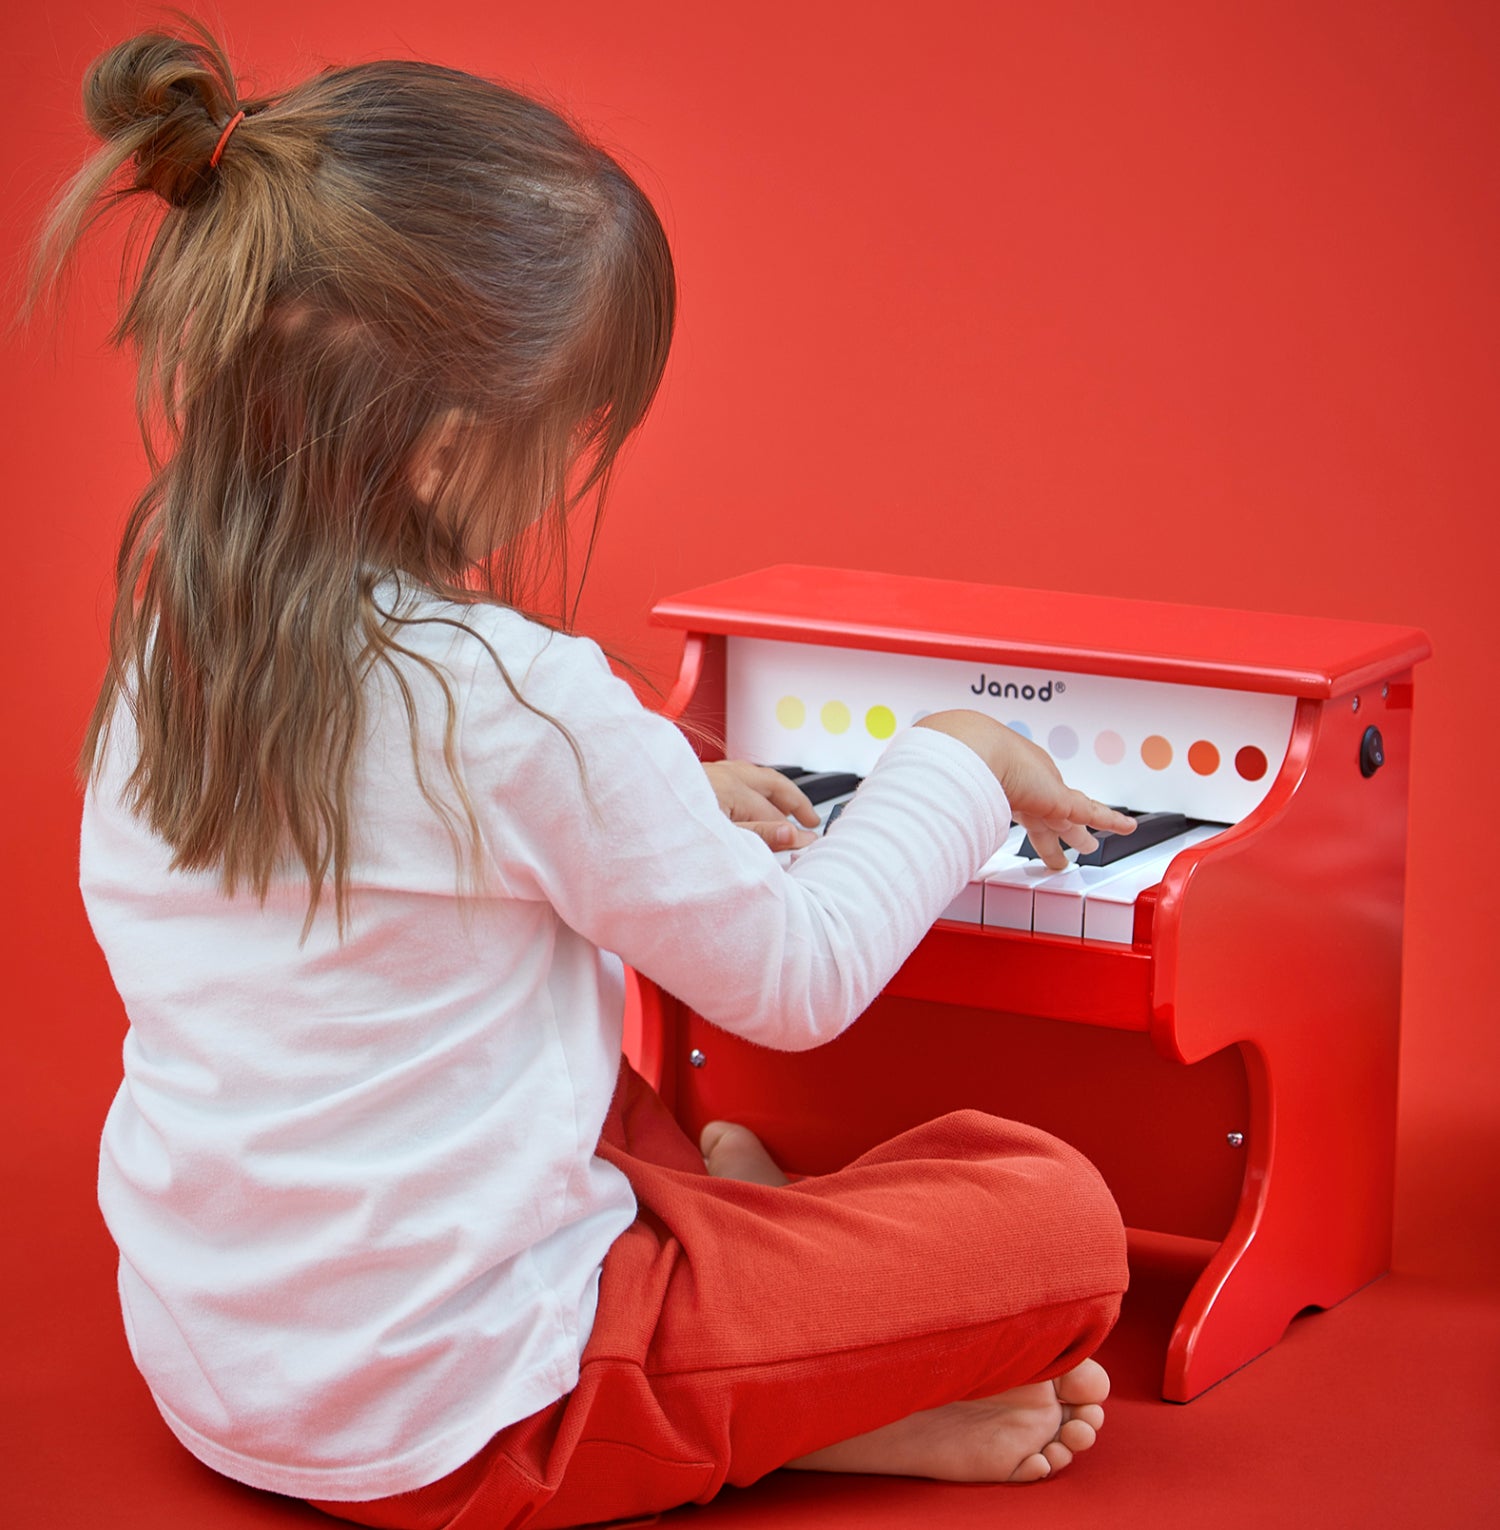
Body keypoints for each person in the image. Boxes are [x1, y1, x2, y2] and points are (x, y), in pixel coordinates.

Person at [35, 22, 1135, 1529]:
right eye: (577, 427)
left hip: (220, 1363)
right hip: (472, 1421)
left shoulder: (175, 644)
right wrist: (957, 762)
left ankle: (754, 1265)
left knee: (586, 1075)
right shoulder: (511, 699)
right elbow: (795, 979)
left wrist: (671, 801)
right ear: (446, 450)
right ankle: (802, 1404)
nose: (578, 461)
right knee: (1059, 1228)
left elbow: (378, 918)